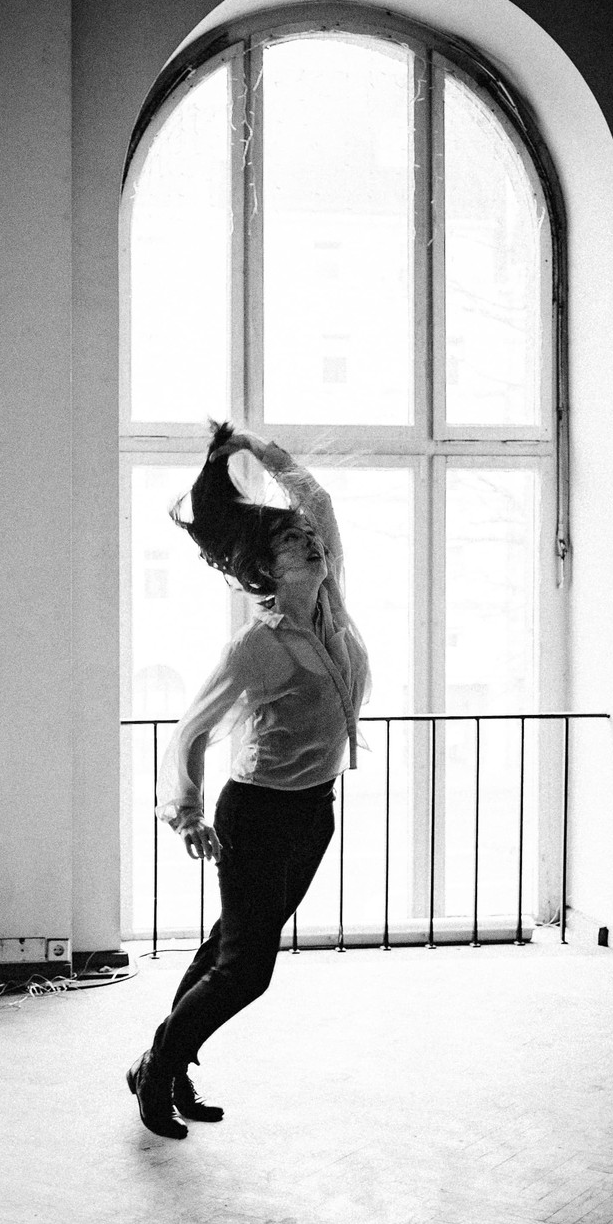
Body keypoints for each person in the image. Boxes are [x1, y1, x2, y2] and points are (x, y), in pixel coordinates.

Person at [126, 422, 370, 1139]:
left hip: (314, 811)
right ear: (268, 566)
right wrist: (189, 811)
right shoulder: (258, 644)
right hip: (259, 815)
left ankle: (167, 1065)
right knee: (246, 969)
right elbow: (191, 728)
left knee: (226, 948)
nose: (312, 542)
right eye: (294, 541)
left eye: (312, 538)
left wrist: (260, 452)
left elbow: (317, 501)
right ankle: (155, 1072)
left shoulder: (330, 608)